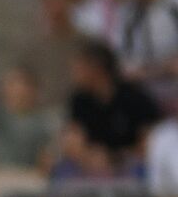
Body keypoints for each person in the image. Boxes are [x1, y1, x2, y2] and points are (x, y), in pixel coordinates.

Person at [61, 38, 163, 177]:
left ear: (96, 68)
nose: (75, 73)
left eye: (79, 67)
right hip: (89, 165)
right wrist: (88, 156)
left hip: (129, 166)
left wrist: (114, 159)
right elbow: (72, 139)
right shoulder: (79, 100)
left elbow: (150, 141)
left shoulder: (134, 97)